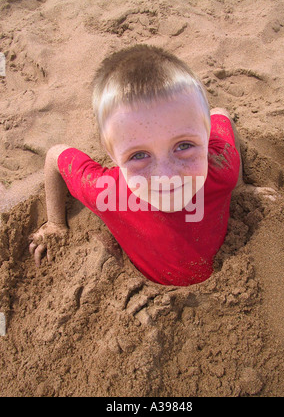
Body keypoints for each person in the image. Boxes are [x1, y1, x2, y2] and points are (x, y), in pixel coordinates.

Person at [29, 44, 243, 286]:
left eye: (184, 146)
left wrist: (240, 188)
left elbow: (220, 114)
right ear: (112, 155)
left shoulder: (223, 169)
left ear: (205, 135)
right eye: (139, 155)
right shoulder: (108, 193)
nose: (166, 175)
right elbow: (55, 157)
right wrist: (55, 223)